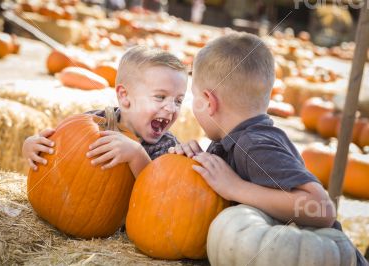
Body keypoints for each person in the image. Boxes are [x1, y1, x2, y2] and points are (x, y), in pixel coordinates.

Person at [169, 32, 367, 265]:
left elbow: (321, 209)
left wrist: (236, 187)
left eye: (193, 97)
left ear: (208, 102)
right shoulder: (230, 140)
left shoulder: (255, 145)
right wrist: (193, 160)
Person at [23, 46, 188, 177]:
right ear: (124, 96)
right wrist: (32, 146)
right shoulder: (94, 122)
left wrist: (137, 156)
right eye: (160, 97)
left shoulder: (169, 149)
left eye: (178, 101)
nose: (172, 108)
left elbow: (161, 194)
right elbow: (59, 148)